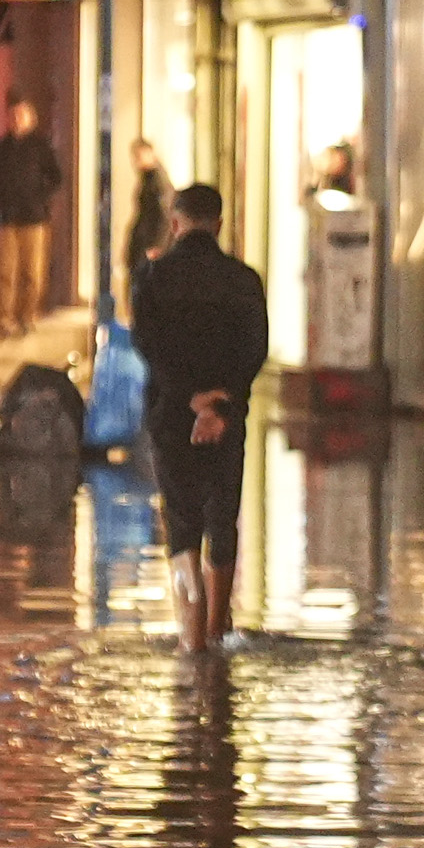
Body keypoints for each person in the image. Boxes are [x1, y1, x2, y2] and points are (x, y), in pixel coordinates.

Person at [130, 183, 266, 650]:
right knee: (222, 518)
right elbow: (255, 349)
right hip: (228, 416)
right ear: (220, 224)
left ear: (175, 222)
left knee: (182, 523)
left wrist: (189, 398)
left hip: (170, 415)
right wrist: (217, 402)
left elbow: (147, 344)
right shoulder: (245, 280)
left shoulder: (152, 278)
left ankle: (191, 641)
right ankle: (215, 633)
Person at [0, 97, 67, 332]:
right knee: (6, 272)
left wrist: (41, 198)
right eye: (14, 116)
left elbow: (56, 177)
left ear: (31, 119)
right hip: (7, 219)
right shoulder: (0, 148)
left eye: (22, 116)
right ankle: (4, 319)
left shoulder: (41, 146)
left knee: (33, 271)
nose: (17, 120)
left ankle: (28, 316)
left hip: (35, 217)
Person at [127, 139, 175, 264]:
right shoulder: (149, 179)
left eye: (138, 156)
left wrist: (157, 246)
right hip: (146, 244)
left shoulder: (157, 182)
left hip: (150, 246)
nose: (135, 161)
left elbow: (164, 215)